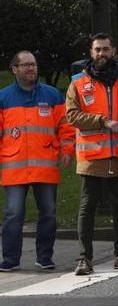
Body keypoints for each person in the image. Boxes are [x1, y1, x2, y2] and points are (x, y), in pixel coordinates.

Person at [64, 34, 118, 276]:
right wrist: (102, 121)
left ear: (113, 50)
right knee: (88, 207)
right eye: (97, 50)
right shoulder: (78, 83)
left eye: (105, 49)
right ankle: (84, 258)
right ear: (90, 52)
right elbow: (71, 115)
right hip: (91, 156)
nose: (101, 54)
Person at [0, 51, 74, 272]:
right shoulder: (3, 98)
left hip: (45, 166)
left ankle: (44, 257)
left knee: (49, 213)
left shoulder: (52, 95)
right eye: (26, 65)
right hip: (14, 168)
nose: (31, 68)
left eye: (33, 64)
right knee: (13, 214)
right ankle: (10, 260)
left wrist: (68, 148)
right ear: (14, 69)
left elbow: (66, 126)